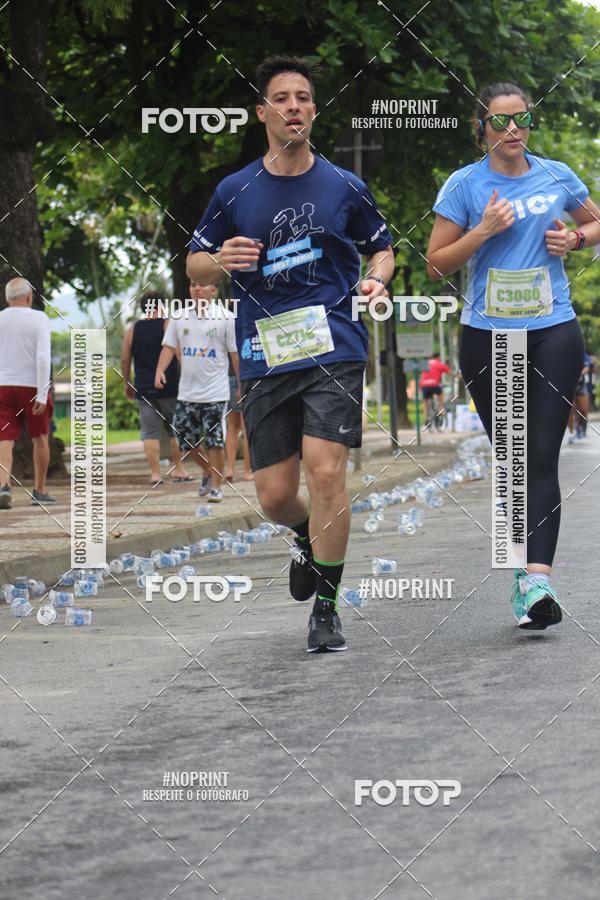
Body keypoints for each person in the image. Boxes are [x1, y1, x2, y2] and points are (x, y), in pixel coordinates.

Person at [186, 55, 394, 652]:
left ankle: (326, 608)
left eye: (304, 97)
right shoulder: (234, 189)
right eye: (282, 98)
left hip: (334, 344)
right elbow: (194, 259)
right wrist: (220, 258)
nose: (295, 106)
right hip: (263, 352)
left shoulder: (344, 185)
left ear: (313, 109)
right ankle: (307, 534)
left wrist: (377, 278)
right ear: (263, 112)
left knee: (326, 470)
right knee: (275, 494)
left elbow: (382, 247)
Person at [427, 81, 600, 629]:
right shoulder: (464, 185)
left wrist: (575, 241)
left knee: (540, 453)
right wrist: (482, 231)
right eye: (500, 121)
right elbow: (436, 263)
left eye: (521, 119)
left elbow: (597, 224)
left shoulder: (556, 175)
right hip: (489, 336)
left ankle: (537, 580)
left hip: (553, 328)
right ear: (481, 127)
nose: (512, 130)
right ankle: (524, 578)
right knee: (514, 458)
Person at [155, 281, 239, 502]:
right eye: (193, 284)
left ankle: (216, 487)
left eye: (203, 285)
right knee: (185, 441)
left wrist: (242, 384)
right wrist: (159, 371)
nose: (196, 288)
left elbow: (234, 354)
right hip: (187, 392)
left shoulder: (226, 317)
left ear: (214, 290)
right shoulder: (179, 316)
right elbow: (169, 347)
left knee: (215, 441)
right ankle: (210, 471)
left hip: (216, 392)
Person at [121, 292, 191, 485]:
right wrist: (188, 378)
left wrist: (127, 383)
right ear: (161, 306)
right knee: (175, 429)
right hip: (170, 386)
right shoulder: (168, 325)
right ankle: (179, 468)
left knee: (149, 432)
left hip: (143, 387)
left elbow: (125, 359)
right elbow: (177, 352)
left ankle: (155, 474)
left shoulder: (132, 330)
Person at [0, 277, 55, 508]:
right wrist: (42, 393)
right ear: (30, 297)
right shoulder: (39, 318)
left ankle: (4, 486)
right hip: (32, 385)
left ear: (7, 297)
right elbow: (43, 358)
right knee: (40, 437)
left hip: (2, 385)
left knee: (4, 437)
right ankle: (39, 490)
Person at [224, 357, 252, 482]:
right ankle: (247, 471)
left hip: (228, 376)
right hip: (244, 375)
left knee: (232, 426)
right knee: (246, 426)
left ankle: (230, 469)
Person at [419, 352, 451, 428]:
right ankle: (440, 409)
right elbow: (449, 372)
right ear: (438, 357)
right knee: (441, 394)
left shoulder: (426, 363)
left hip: (424, 385)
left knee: (425, 401)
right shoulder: (440, 364)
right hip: (434, 385)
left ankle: (426, 417)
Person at [567, 351, 593, 443]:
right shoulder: (565, 354)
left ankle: (582, 427)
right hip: (569, 385)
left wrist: (579, 374)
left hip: (581, 385)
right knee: (570, 408)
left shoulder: (583, 355)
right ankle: (571, 432)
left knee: (583, 409)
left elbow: (587, 367)